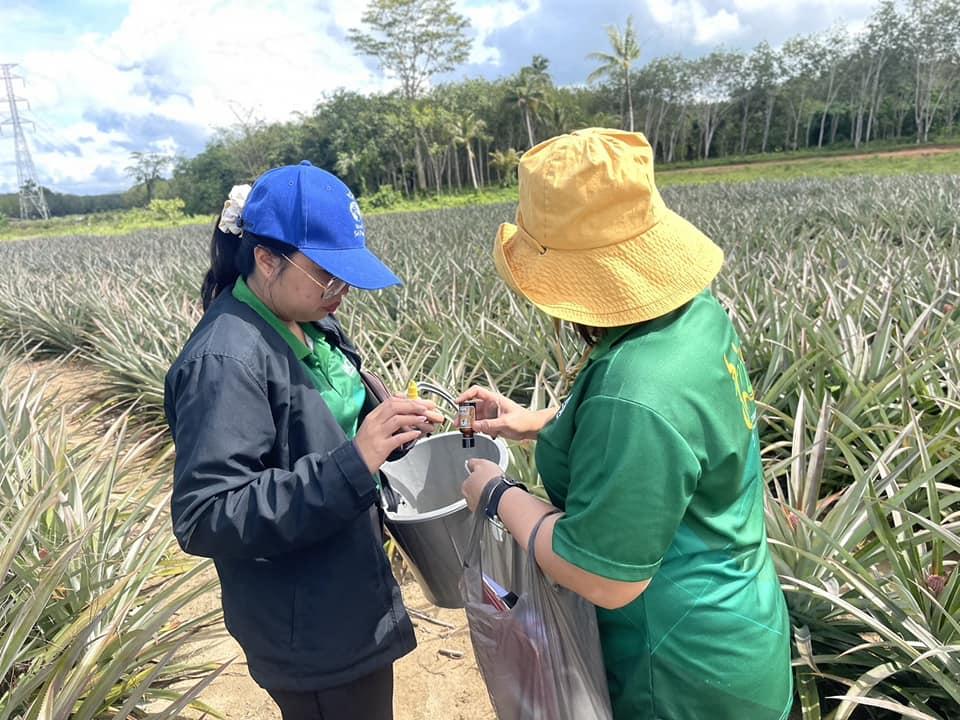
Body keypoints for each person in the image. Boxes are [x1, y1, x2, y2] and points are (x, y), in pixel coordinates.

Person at [460, 129, 793, 720]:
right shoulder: (696, 317)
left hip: (677, 675)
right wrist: (531, 422)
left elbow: (603, 577)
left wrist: (496, 494)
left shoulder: (635, 389)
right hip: (740, 624)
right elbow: (676, 437)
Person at [164, 161, 443, 720]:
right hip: (308, 624)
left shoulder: (310, 319)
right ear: (266, 258)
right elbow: (207, 515)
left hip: (346, 590)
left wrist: (392, 430)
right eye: (326, 275)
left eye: (346, 276)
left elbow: (326, 426)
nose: (339, 291)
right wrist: (355, 461)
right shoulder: (225, 361)